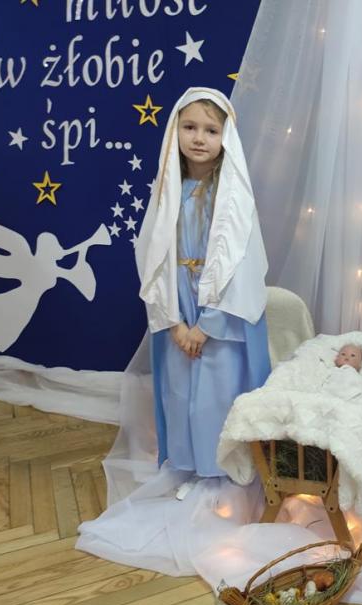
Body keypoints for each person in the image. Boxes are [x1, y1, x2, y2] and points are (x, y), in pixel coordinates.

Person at [135, 87, 271, 500]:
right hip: (178, 304)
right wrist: (174, 321)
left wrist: (207, 325)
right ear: (175, 131)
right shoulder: (168, 190)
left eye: (211, 130)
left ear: (225, 137)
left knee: (217, 393)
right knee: (180, 393)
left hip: (220, 313)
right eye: (190, 127)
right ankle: (190, 467)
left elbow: (242, 264)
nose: (199, 138)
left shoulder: (233, 195)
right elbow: (152, 253)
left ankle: (222, 474)